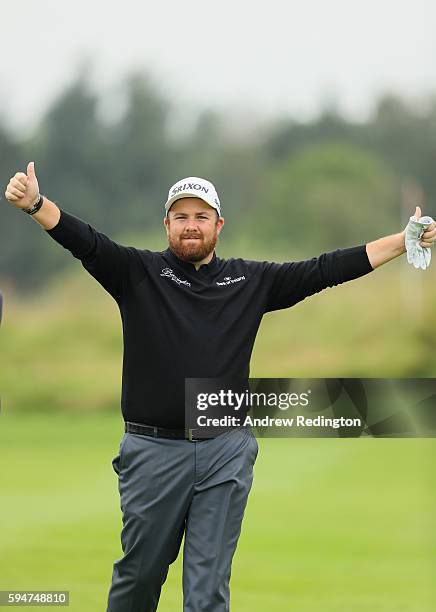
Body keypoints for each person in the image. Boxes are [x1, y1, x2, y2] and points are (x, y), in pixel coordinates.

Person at [4, 162, 436, 612]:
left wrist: (400, 242)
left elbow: (322, 269)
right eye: (182, 217)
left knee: (208, 589)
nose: (192, 226)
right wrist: (36, 204)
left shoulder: (250, 280)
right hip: (153, 451)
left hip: (225, 449)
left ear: (219, 224)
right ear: (167, 223)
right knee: (139, 579)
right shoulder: (137, 272)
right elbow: (85, 242)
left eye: (201, 217)